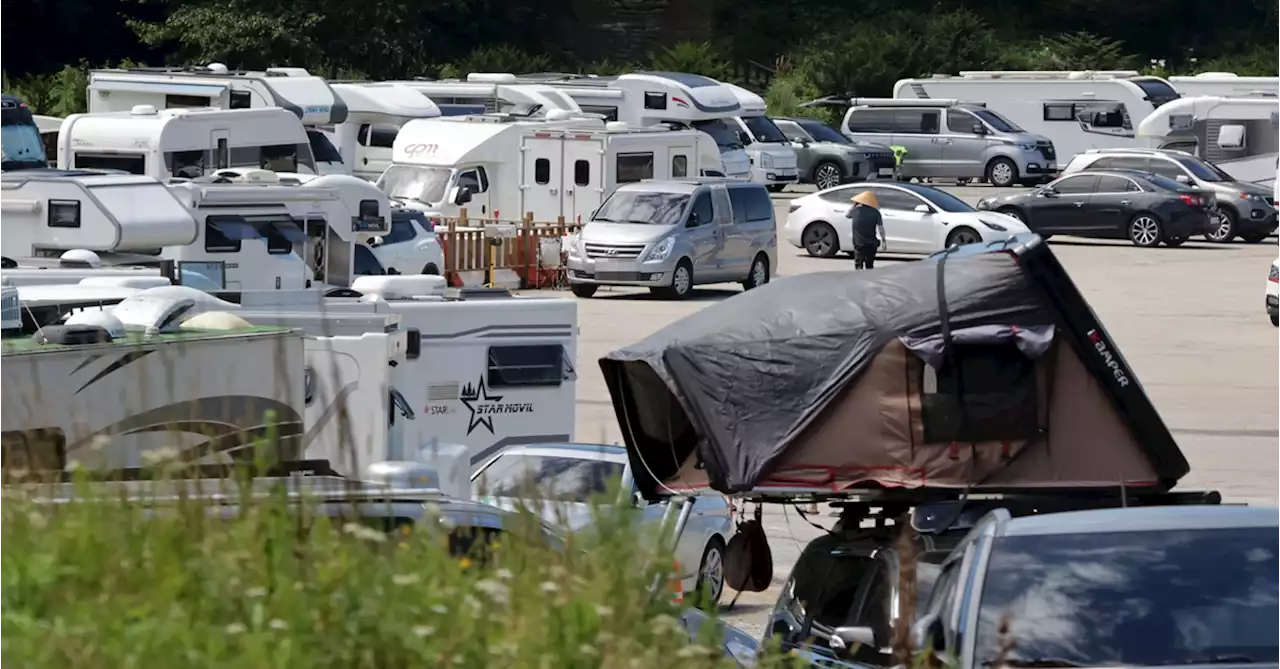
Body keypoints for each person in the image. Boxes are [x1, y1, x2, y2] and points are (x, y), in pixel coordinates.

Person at [846, 191, 885, 269]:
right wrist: (884, 241)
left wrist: (854, 204)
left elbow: (847, 215)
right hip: (872, 243)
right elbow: (881, 228)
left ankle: (859, 279)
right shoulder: (876, 213)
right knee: (869, 265)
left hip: (859, 243)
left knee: (858, 265)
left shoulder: (855, 211)